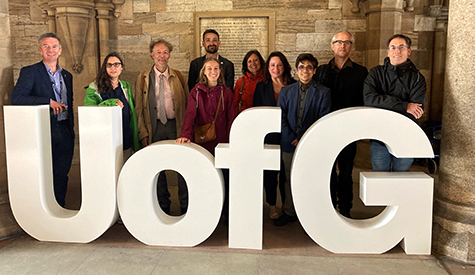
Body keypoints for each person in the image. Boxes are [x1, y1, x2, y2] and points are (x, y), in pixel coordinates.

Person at [11, 32, 74, 208]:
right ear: (40, 50)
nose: (50, 50)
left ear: (60, 50)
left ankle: (59, 209)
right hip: (44, 131)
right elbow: (17, 98)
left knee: (62, 174)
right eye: (46, 46)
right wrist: (48, 102)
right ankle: (44, 210)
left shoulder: (67, 75)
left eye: (54, 46)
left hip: (65, 130)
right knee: (44, 174)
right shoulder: (30, 72)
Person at [314, 31, 368, 218]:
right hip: (326, 130)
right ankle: (328, 208)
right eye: (338, 42)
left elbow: (363, 101)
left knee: (345, 173)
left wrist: (362, 129)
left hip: (348, 131)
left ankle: (345, 210)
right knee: (328, 171)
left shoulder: (361, 72)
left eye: (347, 42)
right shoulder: (320, 71)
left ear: (351, 46)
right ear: (332, 46)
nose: (342, 45)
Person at [275, 54, 331, 226]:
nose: (304, 70)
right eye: (301, 66)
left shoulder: (323, 92)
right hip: (288, 143)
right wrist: (291, 137)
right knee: (288, 178)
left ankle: (309, 213)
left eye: (308, 67)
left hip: (311, 144)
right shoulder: (286, 91)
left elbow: (323, 119)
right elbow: (280, 116)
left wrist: (304, 139)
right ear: (296, 69)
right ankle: (289, 211)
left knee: (309, 178)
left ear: (314, 71)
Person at [176, 57, 234, 223]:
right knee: (205, 177)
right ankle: (206, 211)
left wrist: (231, 141)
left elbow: (231, 119)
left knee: (224, 178)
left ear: (220, 72)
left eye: (216, 69)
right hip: (202, 142)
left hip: (222, 143)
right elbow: (190, 115)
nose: (213, 72)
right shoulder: (196, 92)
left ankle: (226, 213)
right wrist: (185, 135)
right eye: (209, 68)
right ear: (203, 71)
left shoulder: (226, 93)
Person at [135, 39, 189, 215]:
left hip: (175, 126)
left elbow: (188, 105)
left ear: (170, 55)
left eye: (165, 52)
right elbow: (138, 109)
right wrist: (142, 132)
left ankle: (184, 204)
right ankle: (163, 204)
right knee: (156, 167)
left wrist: (187, 131)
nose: (162, 56)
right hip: (154, 127)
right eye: (158, 52)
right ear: (152, 55)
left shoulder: (179, 77)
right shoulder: (143, 78)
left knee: (182, 166)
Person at [363, 34, 426, 172]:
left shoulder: (417, 78)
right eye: (393, 47)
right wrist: (405, 106)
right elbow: (369, 99)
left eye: (401, 47)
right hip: (379, 136)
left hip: (405, 135)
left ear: (408, 51)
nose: (397, 51)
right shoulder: (376, 73)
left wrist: (384, 102)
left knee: (401, 178)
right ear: (388, 51)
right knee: (379, 178)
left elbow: (416, 111)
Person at [253, 51, 295, 220]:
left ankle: (287, 206)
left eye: (278, 65)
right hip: (268, 137)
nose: (275, 68)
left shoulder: (294, 85)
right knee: (270, 174)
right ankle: (272, 205)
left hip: (289, 135)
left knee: (287, 174)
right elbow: (256, 113)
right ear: (267, 68)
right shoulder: (261, 87)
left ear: (284, 66)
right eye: (272, 65)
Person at [84, 53, 140, 161]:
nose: (113, 68)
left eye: (116, 64)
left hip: (126, 135)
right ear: (105, 68)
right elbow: (90, 111)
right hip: (106, 139)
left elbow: (131, 112)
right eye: (109, 65)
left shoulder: (125, 86)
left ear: (121, 67)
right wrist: (110, 102)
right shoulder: (94, 88)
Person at [234, 50, 265, 115]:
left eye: (255, 60)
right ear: (246, 64)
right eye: (249, 61)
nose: (253, 63)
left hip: (263, 116)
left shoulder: (266, 80)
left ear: (260, 61)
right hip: (244, 117)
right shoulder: (240, 81)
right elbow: (235, 103)